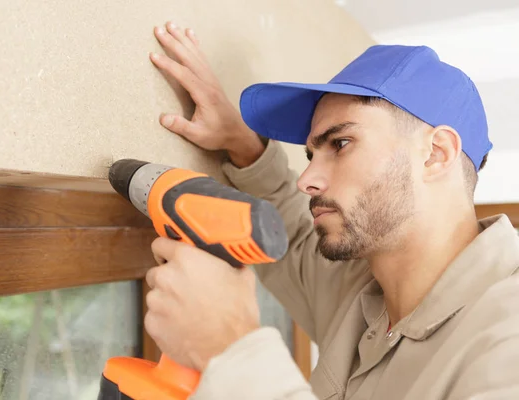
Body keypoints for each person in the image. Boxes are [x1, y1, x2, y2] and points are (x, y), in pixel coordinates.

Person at [142, 21, 519, 399]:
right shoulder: (360, 291)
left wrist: (231, 350)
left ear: (436, 154)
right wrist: (244, 147)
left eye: (340, 143)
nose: (306, 179)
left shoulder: (506, 333)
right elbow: (293, 238)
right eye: (310, 154)